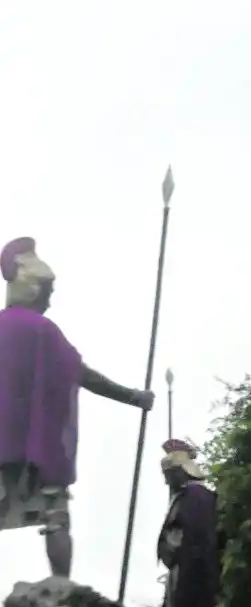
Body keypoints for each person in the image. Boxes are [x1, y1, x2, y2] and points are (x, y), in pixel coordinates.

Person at [0, 236, 155, 579]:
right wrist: (133, 396)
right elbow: (81, 374)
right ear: (34, 289)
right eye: (48, 294)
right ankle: (60, 587)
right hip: (35, 454)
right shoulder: (43, 330)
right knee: (56, 520)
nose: (50, 303)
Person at [156, 439, 219, 607]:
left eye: (168, 476)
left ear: (180, 472)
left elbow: (197, 543)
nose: (166, 482)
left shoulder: (196, 496)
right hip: (181, 573)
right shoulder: (187, 496)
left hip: (190, 578)